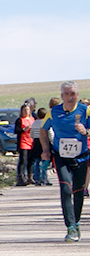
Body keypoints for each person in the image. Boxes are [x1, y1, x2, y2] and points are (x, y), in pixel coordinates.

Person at [40, 82, 89, 242]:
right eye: (66, 94)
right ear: (62, 96)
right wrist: (46, 150)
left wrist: (86, 131)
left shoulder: (86, 111)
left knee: (78, 191)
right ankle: (71, 227)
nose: (70, 97)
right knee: (66, 188)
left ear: (77, 95)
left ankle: (77, 221)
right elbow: (43, 130)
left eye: (73, 93)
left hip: (81, 156)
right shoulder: (54, 112)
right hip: (61, 157)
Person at [14, 104, 34, 186]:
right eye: (24, 110)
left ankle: (30, 177)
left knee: (30, 161)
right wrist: (24, 129)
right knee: (23, 160)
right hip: (23, 142)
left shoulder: (32, 119)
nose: (26, 112)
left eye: (28, 110)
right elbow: (16, 131)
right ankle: (21, 177)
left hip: (31, 141)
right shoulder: (20, 120)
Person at [30, 107, 49, 185]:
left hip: (36, 142)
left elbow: (31, 134)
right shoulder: (45, 123)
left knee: (37, 161)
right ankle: (44, 178)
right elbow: (50, 133)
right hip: (44, 141)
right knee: (45, 161)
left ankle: (37, 178)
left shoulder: (34, 123)